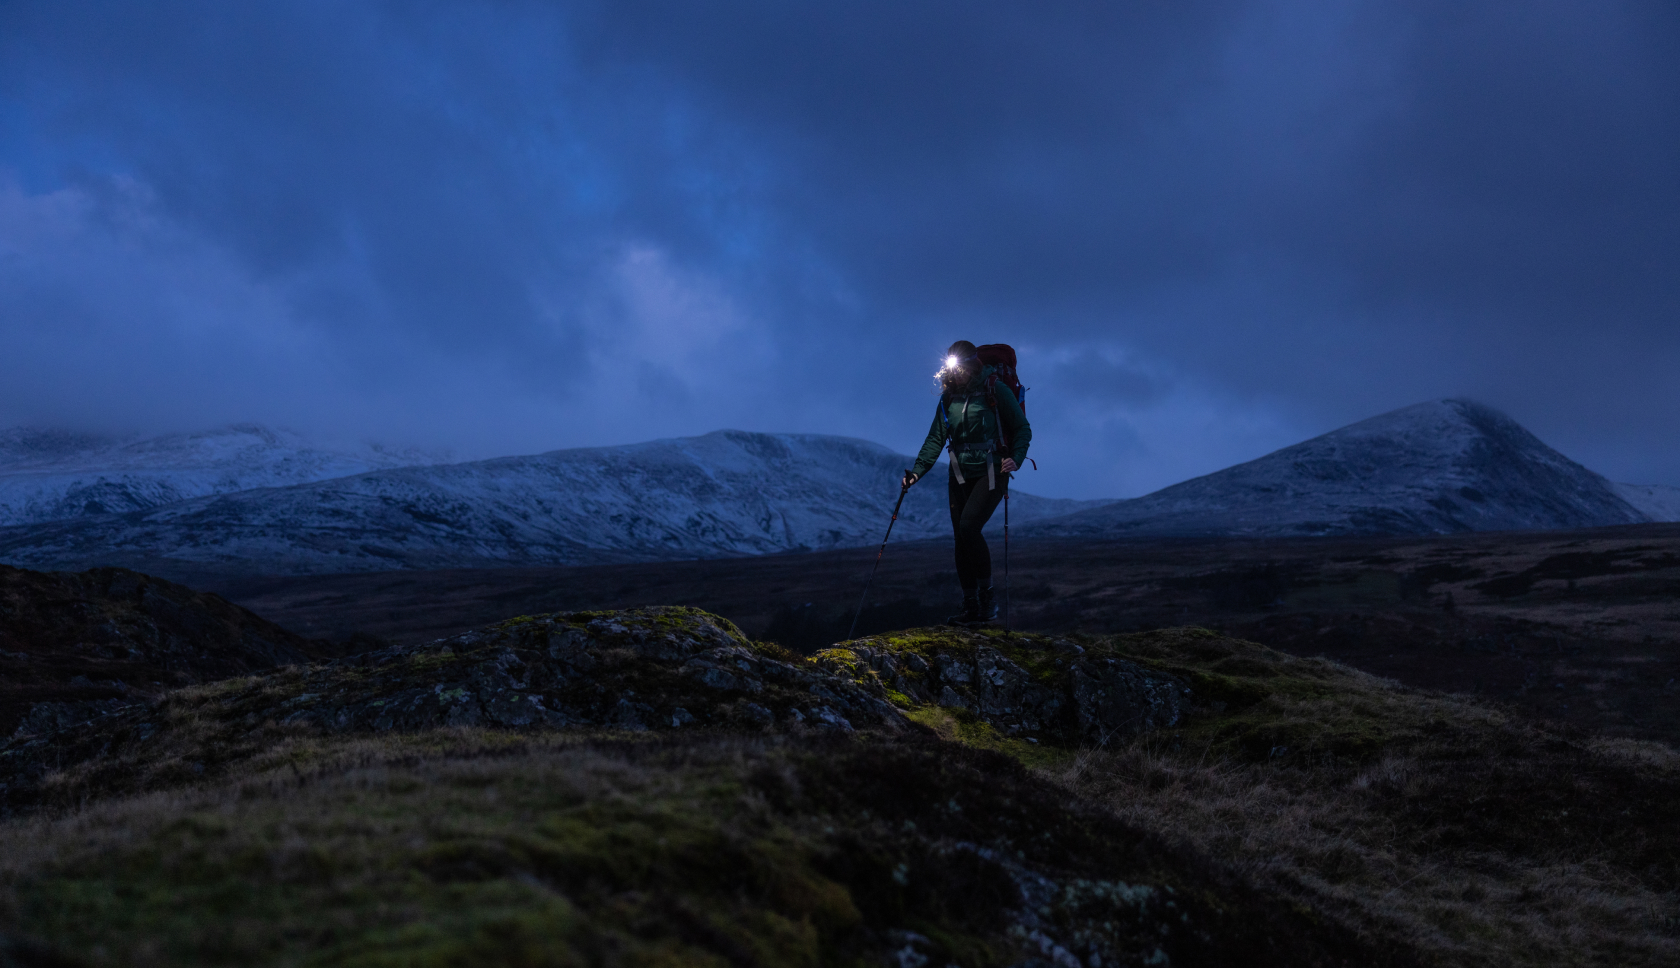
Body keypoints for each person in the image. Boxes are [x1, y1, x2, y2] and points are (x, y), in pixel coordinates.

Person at [901, 341, 1032, 625]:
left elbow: (1022, 428)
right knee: (961, 539)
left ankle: (988, 599)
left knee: (969, 527)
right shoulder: (948, 398)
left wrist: (1017, 458)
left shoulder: (995, 389)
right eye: (951, 368)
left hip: (992, 470)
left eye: (960, 367)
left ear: (973, 364)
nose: (955, 373)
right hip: (958, 473)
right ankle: (971, 605)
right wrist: (916, 473)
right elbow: (935, 438)